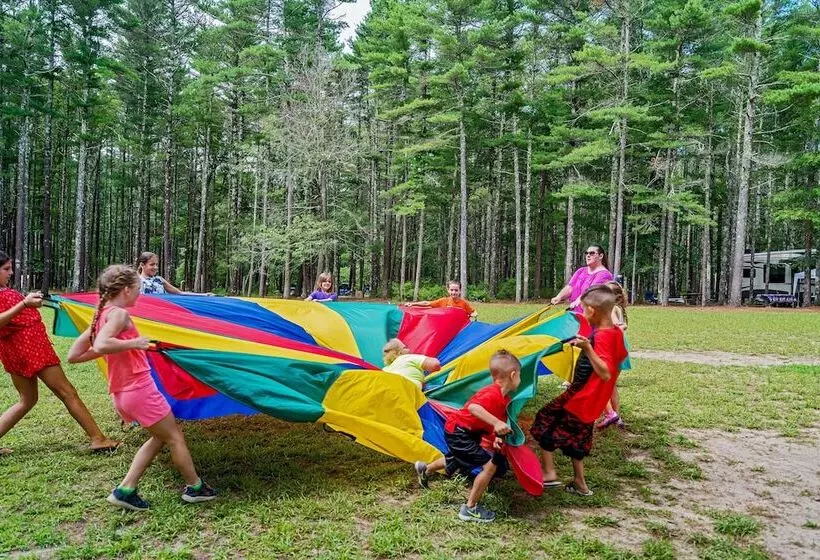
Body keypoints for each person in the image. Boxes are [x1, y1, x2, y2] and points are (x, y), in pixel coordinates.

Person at [68, 264, 216, 511]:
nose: (140, 294)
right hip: (139, 390)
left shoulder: (102, 314)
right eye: (138, 289)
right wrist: (135, 343)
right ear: (126, 290)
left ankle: (126, 489)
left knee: (160, 437)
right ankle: (195, 487)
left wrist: (120, 347)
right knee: (174, 437)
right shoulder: (118, 315)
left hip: (123, 393)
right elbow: (103, 345)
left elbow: (74, 354)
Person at [0, 250, 119, 456]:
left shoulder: (5, 291)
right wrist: (24, 304)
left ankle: (98, 438)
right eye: (6, 269)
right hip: (31, 350)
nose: (10, 273)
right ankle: (98, 439)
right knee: (67, 392)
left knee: (27, 400)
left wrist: (33, 302)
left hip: (17, 351)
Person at [530, 284, 628, 497]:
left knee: (544, 420)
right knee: (578, 437)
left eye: (583, 310)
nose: (582, 314)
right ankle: (580, 483)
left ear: (591, 311)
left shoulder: (602, 336)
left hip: (579, 397)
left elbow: (605, 372)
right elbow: (619, 360)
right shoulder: (615, 333)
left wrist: (588, 349)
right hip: (591, 401)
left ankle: (549, 473)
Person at [413, 350, 521, 523]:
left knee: (457, 458)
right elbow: (474, 409)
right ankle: (470, 508)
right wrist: (496, 423)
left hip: (466, 432)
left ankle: (425, 469)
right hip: (459, 432)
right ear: (513, 375)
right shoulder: (492, 393)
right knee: (489, 466)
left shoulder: (504, 399)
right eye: (520, 376)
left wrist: (497, 434)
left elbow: (496, 422)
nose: (520, 380)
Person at [597, 281, 629, 430]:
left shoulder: (611, 308)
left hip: (612, 348)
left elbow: (617, 326)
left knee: (601, 383)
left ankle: (610, 414)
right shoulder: (618, 308)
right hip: (621, 347)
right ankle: (617, 417)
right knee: (611, 384)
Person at [551, 245, 613, 312]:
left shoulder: (604, 274)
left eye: (592, 253)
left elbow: (591, 291)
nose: (588, 255)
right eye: (586, 253)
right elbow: (570, 287)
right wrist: (559, 297)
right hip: (575, 314)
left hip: (591, 316)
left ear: (601, 256)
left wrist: (577, 301)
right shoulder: (581, 271)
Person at [136, 252, 211, 296]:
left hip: (161, 315)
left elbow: (179, 293)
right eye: (152, 264)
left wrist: (203, 295)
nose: (156, 267)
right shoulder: (137, 281)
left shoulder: (159, 280)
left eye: (156, 264)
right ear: (142, 265)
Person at [405, 280, 478, 320]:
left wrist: (474, 314)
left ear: (460, 291)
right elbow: (427, 303)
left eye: (456, 290)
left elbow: (472, 312)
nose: (454, 292)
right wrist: (413, 304)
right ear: (448, 290)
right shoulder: (443, 301)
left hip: (460, 329)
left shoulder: (464, 303)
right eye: (452, 290)